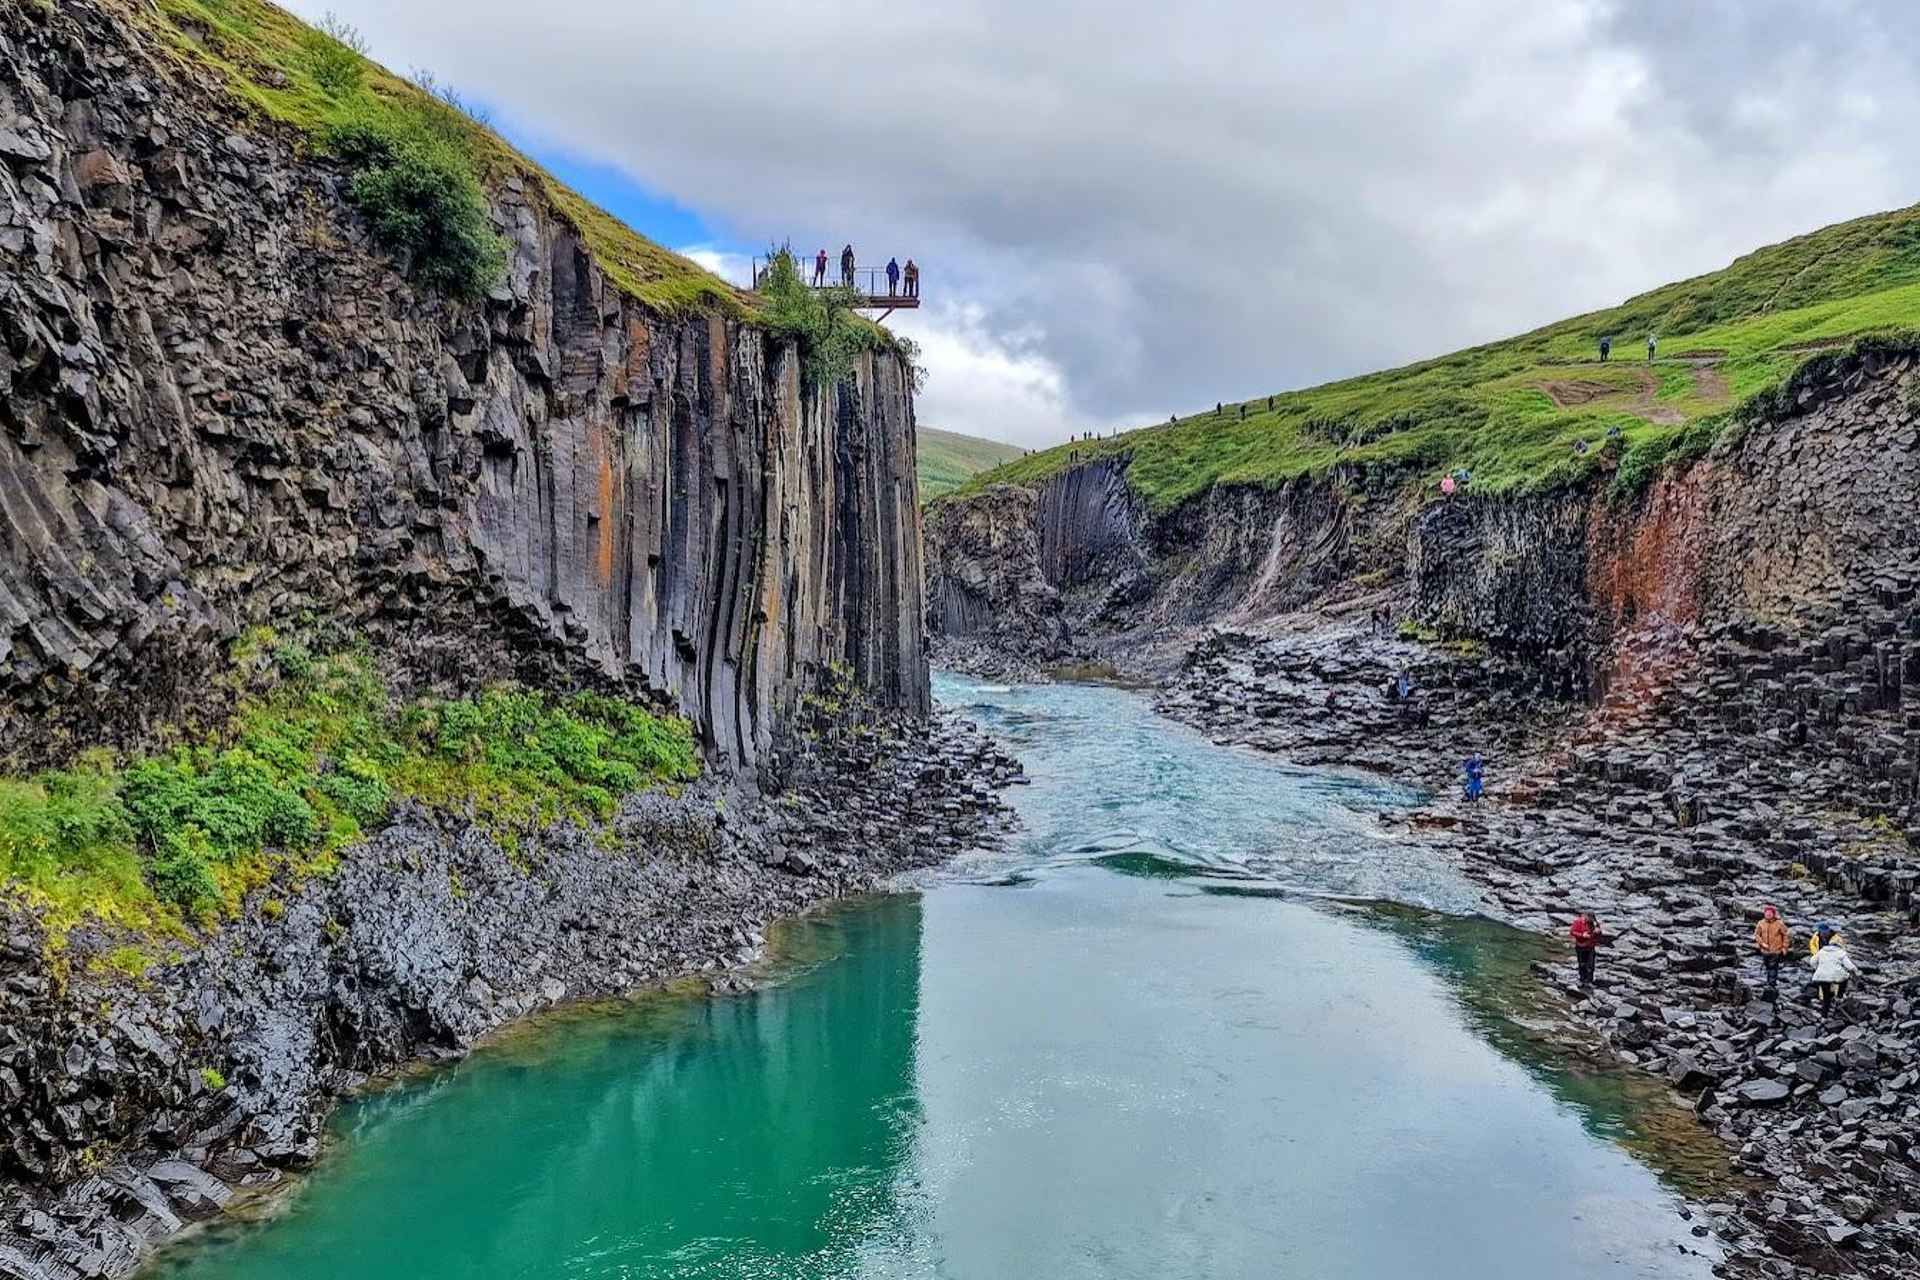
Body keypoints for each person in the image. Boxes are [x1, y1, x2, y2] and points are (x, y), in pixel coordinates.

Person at [1809, 933, 1859, 1017]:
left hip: (1822, 977)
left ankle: (1824, 1016)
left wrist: (1817, 968)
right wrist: (1856, 970)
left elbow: (1812, 962)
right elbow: (1849, 966)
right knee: (1845, 978)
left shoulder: (1821, 951)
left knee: (1826, 997)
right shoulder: (1841, 953)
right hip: (1836, 976)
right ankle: (1839, 996)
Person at [1753, 906, 1790, 994]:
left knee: (1773, 967)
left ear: (1773, 914)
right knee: (1767, 966)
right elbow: (1757, 935)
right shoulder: (1761, 923)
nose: (1768, 914)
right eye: (1767, 913)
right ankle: (1769, 982)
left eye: (1770, 913)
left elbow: (1786, 935)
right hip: (1765, 950)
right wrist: (1761, 943)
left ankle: (1771, 984)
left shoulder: (1779, 923)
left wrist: (1785, 948)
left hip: (1776, 950)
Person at [1570, 911, 1602, 987]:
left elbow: (1599, 935)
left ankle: (1589, 980)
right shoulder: (1578, 922)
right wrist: (1582, 935)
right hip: (1581, 946)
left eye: (1592, 919)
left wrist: (1598, 932)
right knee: (1582, 964)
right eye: (1589, 918)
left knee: (1591, 964)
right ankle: (1582, 979)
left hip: (1591, 946)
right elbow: (1572, 932)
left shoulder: (1595, 923)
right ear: (1586, 916)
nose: (1590, 921)